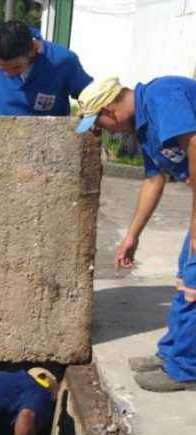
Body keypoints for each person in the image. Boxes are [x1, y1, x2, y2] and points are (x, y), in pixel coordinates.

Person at [76, 76, 196, 392]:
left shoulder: (162, 95)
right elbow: (154, 180)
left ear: (109, 110)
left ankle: (186, 369)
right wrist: (132, 236)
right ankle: (173, 354)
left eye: (99, 123)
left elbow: (195, 144)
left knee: (195, 283)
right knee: (186, 278)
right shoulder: (145, 127)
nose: (104, 132)